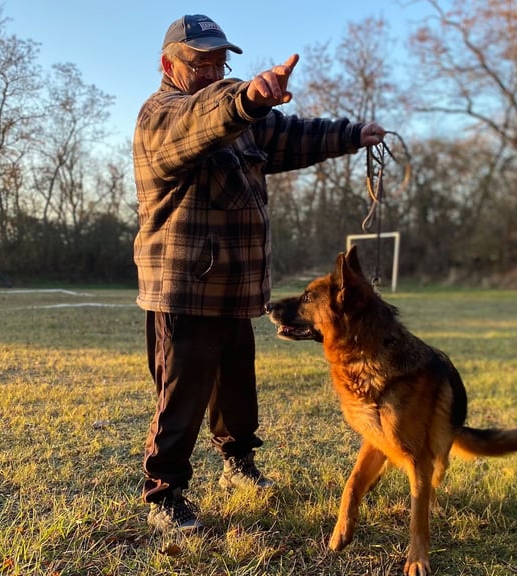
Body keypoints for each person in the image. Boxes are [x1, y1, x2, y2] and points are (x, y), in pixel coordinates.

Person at [133, 13, 386, 534]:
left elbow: (291, 135)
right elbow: (202, 119)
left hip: (235, 288)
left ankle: (238, 463)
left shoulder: (242, 121)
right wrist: (247, 96)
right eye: (199, 63)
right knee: (182, 396)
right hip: (184, 289)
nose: (211, 72)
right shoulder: (161, 117)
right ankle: (164, 494)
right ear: (168, 64)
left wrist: (351, 135)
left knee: (236, 391)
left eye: (218, 63)